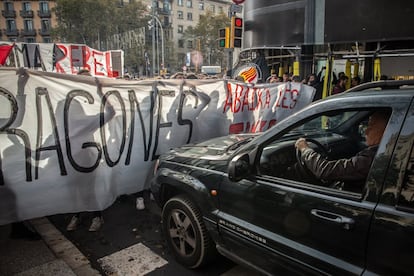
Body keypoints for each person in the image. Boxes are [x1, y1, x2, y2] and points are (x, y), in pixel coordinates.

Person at [294, 110, 390, 184]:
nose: (366, 131)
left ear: (386, 132)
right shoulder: (386, 152)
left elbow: (324, 170)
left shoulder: (373, 159)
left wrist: (305, 149)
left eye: (371, 126)